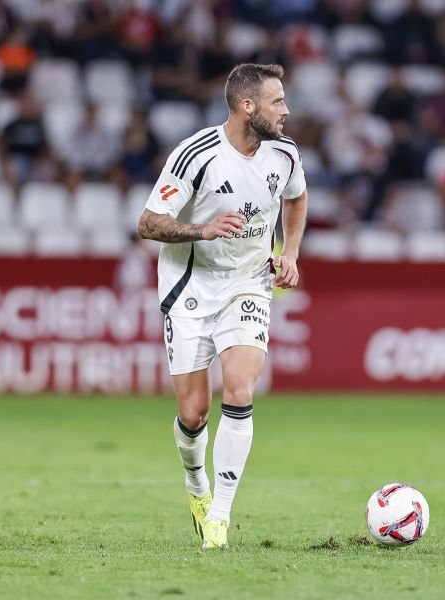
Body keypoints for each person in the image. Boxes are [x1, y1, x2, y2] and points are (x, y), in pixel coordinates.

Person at [137, 63, 307, 549]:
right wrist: (202, 229)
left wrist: (289, 253)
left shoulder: (284, 154)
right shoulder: (196, 155)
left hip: (248, 285)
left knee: (239, 387)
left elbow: (296, 199)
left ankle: (220, 518)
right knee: (193, 413)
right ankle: (196, 486)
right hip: (190, 288)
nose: (286, 111)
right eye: (277, 102)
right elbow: (148, 222)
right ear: (247, 106)